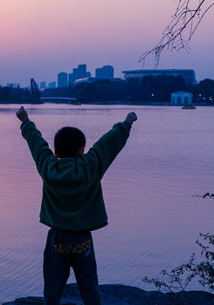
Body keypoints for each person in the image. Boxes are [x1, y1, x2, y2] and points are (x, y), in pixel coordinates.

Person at [16, 106, 137, 305]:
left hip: (57, 238)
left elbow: (37, 144)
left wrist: (25, 120)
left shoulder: (48, 167)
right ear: (81, 150)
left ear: (55, 151)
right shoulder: (90, 167)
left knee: (53, 288)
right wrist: (127, 123)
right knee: (89, 287)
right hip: (82, 239)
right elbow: (108, 144)